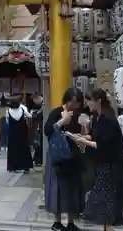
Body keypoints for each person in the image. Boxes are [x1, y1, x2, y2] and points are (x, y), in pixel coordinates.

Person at [68, 89, 123, 231]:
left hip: (112, 163)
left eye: (90, 100)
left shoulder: (108, 118)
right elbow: (93, 136)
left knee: (107, 197)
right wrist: (80, 137)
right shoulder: (96, 117)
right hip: (102, 162)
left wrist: (84, 141)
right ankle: (107, 227)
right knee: (104, 197)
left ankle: (109, 227)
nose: (88, 104)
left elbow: (102, 145)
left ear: (98, 101)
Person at [44, 87, 86, 231]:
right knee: (58, 189)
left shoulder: (79, 115)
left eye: (77, 103)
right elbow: (47, 130)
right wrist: (62, 121)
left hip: (73, 156)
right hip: (58, 157)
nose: (75, 106)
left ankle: (71, 222)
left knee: (73, 189)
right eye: (73, 102)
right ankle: (57, 222)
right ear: (67, 101)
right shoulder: (56, 112)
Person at [6, 94, 33, 173]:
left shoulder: (8, 110)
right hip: (22, 132)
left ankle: (13, 167)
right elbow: (30, 116)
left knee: (13, 149)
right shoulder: (23, 108)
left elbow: (7, 121)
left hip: (12, 133)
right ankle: (26, 167)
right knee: (24, 148)